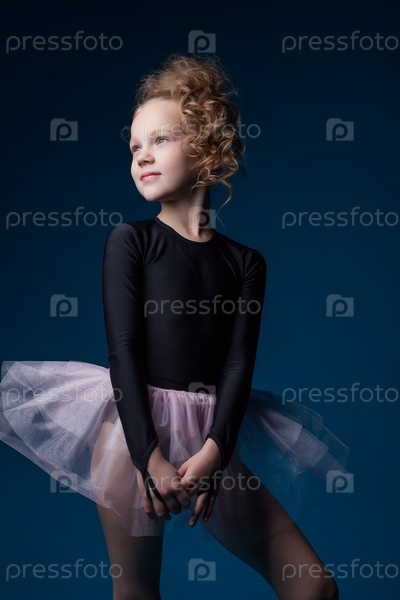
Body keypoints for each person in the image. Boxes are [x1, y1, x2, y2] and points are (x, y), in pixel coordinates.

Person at [0, 54, 349, 600]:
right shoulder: (131, 241)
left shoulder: (246, 263)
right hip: (134, 435)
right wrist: (149, 457)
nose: (141, 155)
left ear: (208, 149)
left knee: (313, 587)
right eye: (133, 147)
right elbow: (124, 350)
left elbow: (238, 364)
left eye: (159, 140)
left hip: (213, 438)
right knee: (136, 592)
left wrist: (214, 454)